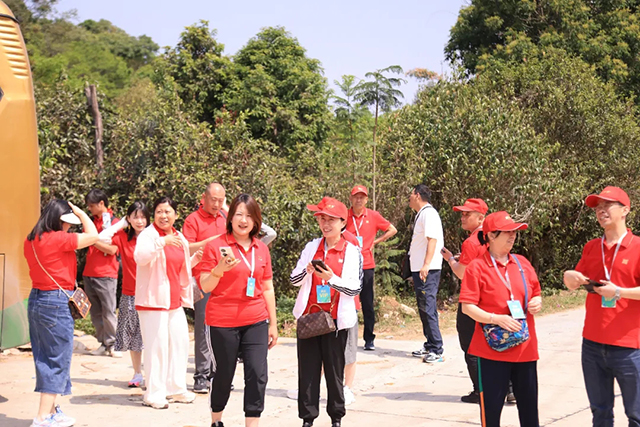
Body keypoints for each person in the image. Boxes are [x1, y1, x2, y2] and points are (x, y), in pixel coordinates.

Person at [563, 186, 640, 427]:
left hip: (630, 347)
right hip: (593, 344)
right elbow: (574, 282)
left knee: (637, 416)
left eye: (608, 205)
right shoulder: (591, 247)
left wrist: (618, 292)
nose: (601, 211)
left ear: (625, 210)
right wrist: (570, 277)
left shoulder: (638, 247)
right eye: (598, 207)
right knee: (600, 413)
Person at [199, 193, 278, 427]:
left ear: (256, 221)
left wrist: (273, 324)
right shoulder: (216, 246)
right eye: (239, 215)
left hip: (256, 320)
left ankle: (251, 423)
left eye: (249, 215)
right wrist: (219, 269)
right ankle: (217, 420)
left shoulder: (261, 249)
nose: (243, 220)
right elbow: (205, 286)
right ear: (230, 217)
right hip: (222, 321)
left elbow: (267, 287)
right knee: (224, 374)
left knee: (257, 372)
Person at [460, 211, 542, 427]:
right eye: (507, 232)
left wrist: (537, 302)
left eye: (514, 232)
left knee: (529, 411)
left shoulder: (522, 263)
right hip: (491, 352)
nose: (513, 236)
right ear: (490, 236)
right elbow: (467, 307)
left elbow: (535, 292)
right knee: (491, 413)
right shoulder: (477, 267)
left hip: (525, 349)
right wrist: (496, 318)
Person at [24, 200, 98, 427]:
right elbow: (93, 235)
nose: (69, 228)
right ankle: (43, 417)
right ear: (58, 220)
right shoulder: (58, 238)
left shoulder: (30, 240)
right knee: (57, 358)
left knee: (44, 356)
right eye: (67, 223)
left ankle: (53, 410)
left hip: (37, 299)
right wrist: (81, 212)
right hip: (56, 300)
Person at [290, 197, 363, 427]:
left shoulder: (352, 252)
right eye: (322, 219)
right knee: (308, 371)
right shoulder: (312, 247)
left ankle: (336, 417)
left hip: (336, 321)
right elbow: (294, 279)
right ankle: (307, 418)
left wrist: (330, 279)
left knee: (334, 371)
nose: (326, 224)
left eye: (331, 219)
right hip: (310, 318)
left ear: (343, 223)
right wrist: (308, 270)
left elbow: (355, 287)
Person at [134, 196, 198, 409]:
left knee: (179, 344)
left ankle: (176, 389)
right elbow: (140, 257)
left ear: (175, 215)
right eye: (160, 211)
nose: (164, 216)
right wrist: (161, 242)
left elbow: (177, 265)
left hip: (174, 301)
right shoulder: (148, 235)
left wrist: (195, 260)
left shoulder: (179, 236)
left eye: (168, 211)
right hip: (153, 302)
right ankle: (154, 394)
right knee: (157, 348)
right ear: (154, 214)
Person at [97, 201, 150, 388]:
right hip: (130, 294)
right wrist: (121, 224)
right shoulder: (123, 237)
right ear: (129, 219)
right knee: (134, 337)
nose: (140, 221)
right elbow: (101, 238)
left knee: (152, 337)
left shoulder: (154, 237)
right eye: (135, 216)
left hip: (152, 296)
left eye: (143, 216)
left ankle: (153, 375)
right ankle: (137, 373)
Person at [441, 198, 488, 404]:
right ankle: (508, 388)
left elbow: (463, 273)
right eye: (462, 213)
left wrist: (451, 260)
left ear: (480, 217)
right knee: (496, 342)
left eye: (467, 214)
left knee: (470, 346)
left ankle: (480, 391)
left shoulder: (470, 242)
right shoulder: (493, 237)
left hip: (472, 299)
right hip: (492, 297)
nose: (462, 217)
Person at [182, 182, 228, 393]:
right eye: (213, 200)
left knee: (224, 329)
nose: (217, 204)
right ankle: (201, 375)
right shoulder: (193, 220)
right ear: (204, 198)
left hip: (226, 280)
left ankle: (218, 372)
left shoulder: (226, 218)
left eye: (221, 200)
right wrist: (210, 241)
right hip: (203, 280)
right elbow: (186, 246)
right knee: (203, 328)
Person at [346, 184, 397, 351]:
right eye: (356, 196)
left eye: (362, 197)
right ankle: (347, 336)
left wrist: (376, 242)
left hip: (367, 264)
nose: (359, 199)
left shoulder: (373, 216)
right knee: (347, 301)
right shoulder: (345, 216)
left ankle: (369, 339)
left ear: (367, 199)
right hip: (347, 265)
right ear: (351, 199)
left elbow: (392, 229)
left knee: (367, 303)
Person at [408, 184, 445, 363]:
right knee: (423, 307)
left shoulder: (429, 213)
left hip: (427, 269)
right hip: (420, 268)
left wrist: (426, 265)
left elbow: (432, 239)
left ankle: (437, 348)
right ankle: (430, 343)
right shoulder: (421, 214)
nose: (409, 198)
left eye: (410, 194)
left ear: (417, 195)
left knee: (428, 306)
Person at [83, 189, 121, 357]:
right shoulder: (91, 222)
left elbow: (113, 249)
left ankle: (113, 344)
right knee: (96, 312)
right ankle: (102, 343)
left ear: (101, 204)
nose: (90, 209)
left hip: (106, 273)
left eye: (92, 206)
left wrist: (93, 240)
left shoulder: (115, 223)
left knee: (109, 311)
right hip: (89, 272)